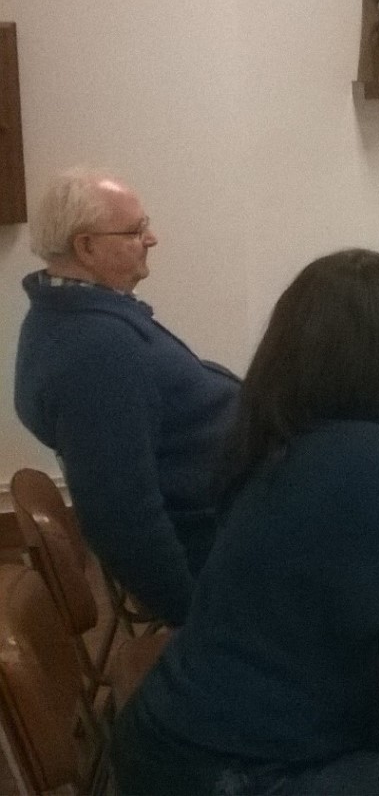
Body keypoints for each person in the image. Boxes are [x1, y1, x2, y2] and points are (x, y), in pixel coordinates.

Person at [110, 249, 379, 795]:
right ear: (378, 358)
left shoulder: (285, 434)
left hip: (189, 731)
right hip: (232, 770)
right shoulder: (363, 459)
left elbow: (377, 565)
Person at [13, 171, 240, 625]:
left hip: (229, 510)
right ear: (86, 247)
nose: (151, 239)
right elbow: (122, 517)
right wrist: (195, 622)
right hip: (220, 541)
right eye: (136, 231)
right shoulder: (95, 350)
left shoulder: (78, 316)